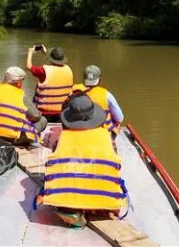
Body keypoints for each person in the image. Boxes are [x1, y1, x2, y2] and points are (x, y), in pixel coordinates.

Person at [35, 94, 127, 228]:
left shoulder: (62, 138)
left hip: (69, 201)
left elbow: (55, 166)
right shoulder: (107, 138)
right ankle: (96, 208)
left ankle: (71, 212)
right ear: (94, 116)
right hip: (103, 200)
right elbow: (115, 166)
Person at [0, 66, 47, 145]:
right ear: (18, 82)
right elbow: (36, 116)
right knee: (43, 120)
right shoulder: (20, 95)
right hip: (12, 139)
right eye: (22, 80)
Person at [70, 65, 124, 138]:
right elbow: (119, 118)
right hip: (102, 134)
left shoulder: (74, 91)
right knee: (118, 122)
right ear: (100, 79)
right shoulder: (106, 95)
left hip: (78, 131)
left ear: (84, 78)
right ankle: (111, 140)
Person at [26, 45, 73, 119]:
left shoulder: (43, 70)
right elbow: (56, 65)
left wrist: (30, 53)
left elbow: (29, 66)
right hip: (63, 112)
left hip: (43, 112)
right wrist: (46, 53)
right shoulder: (68, 69)